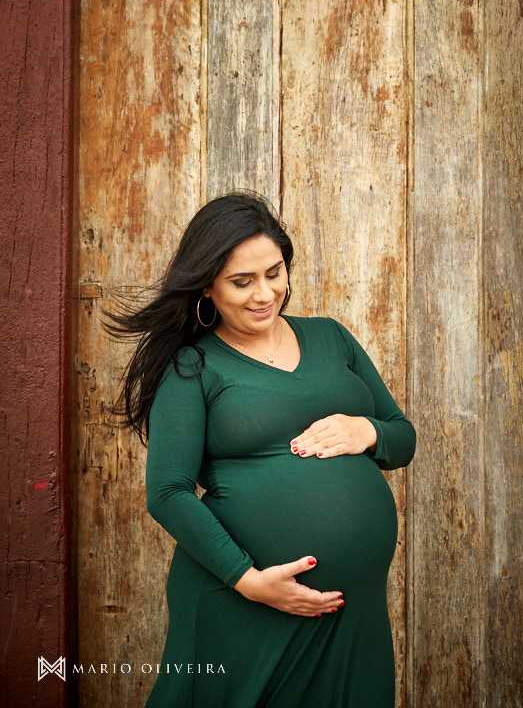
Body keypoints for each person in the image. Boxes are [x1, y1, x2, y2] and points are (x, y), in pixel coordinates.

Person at [108, 192, 416, 707]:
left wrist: (368, 431)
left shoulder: (331, 339)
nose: (264, 294)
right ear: (207, 286)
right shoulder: (194, 367)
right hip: (243, 603)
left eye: (273, 273)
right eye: (242, 282)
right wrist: (249, 581)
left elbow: (401, 437)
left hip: (352, 612)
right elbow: (167, 491)